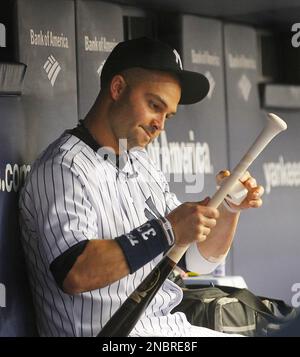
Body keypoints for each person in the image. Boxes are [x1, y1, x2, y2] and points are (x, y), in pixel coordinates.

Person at [19, 37, 264, 337]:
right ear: (118, 88)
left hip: (165, 329)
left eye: (168, 115)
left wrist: (228, 208)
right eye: (154, 105)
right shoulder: (63, 166)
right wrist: (168, 228)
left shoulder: (141, 163)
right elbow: (76, 273)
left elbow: (195, 260)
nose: (160, 124)